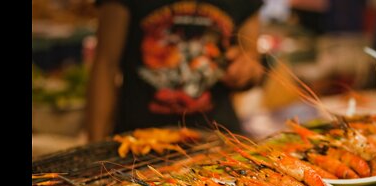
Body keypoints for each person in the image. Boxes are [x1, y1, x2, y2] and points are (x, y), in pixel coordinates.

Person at [87, 0, 265, 142]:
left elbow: (253, 62)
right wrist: (94, 144)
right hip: (140, 137)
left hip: (217, 136)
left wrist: (246, 71)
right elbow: (105, 65)